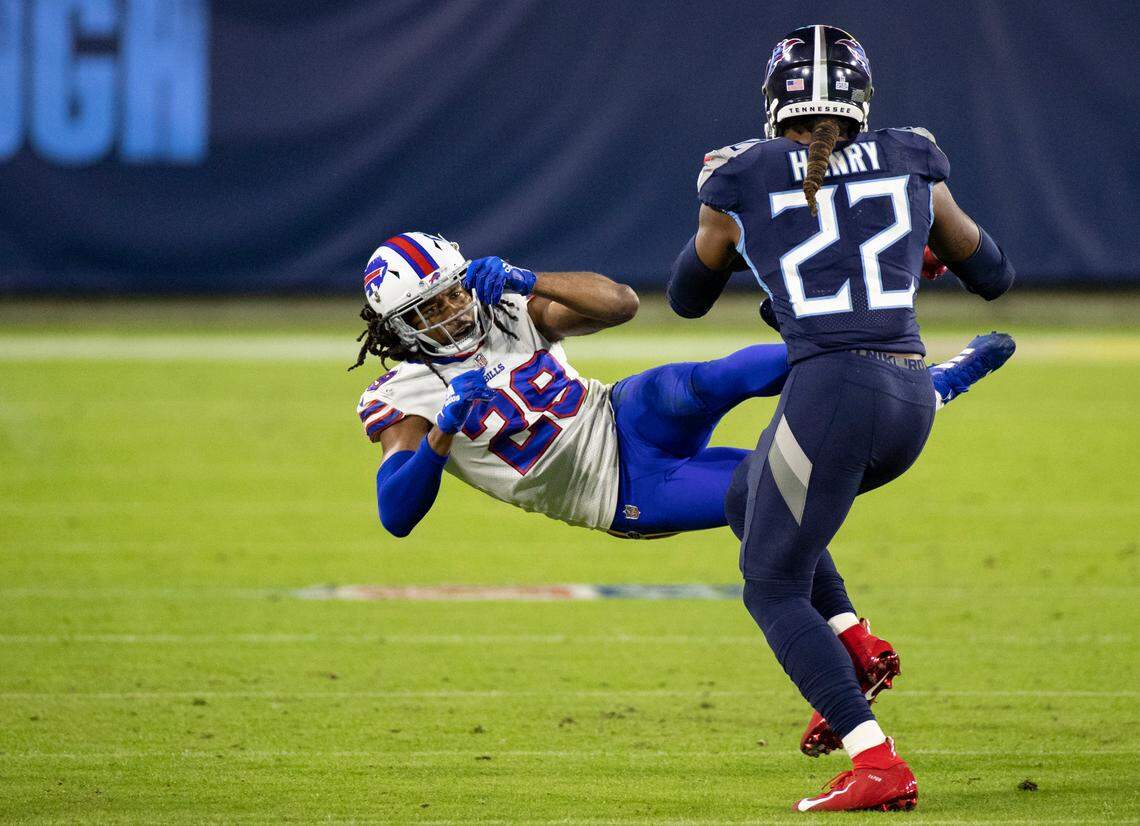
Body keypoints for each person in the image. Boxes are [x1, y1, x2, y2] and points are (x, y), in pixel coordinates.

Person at [666, 25, 1015, 812]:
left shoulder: (738, 173)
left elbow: (688, 296)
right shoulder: (915, 155)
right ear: (860, 99)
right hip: (904, 392)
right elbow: (991, 272)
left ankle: (876, 759)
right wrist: (920, 247)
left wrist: (739, 233)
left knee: (770, 585)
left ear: (773, 101)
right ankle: (855, 644)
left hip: (832, 396)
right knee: (743, 499)